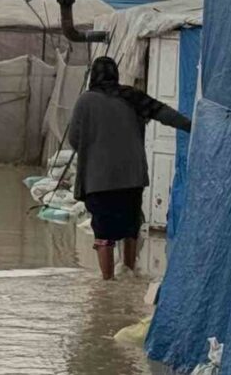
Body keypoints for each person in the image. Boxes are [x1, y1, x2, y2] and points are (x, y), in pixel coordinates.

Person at [68, 56, 191, 280]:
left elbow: (74, 140)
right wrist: (194, 126)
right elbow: (166, 115)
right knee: (130, 226)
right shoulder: (132, 97)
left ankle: (107, 284)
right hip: (132, 179)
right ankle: (129, 272)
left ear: (93, 78)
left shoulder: (84, 102)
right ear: (115, 75)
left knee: (104, 233)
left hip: (99, 180)